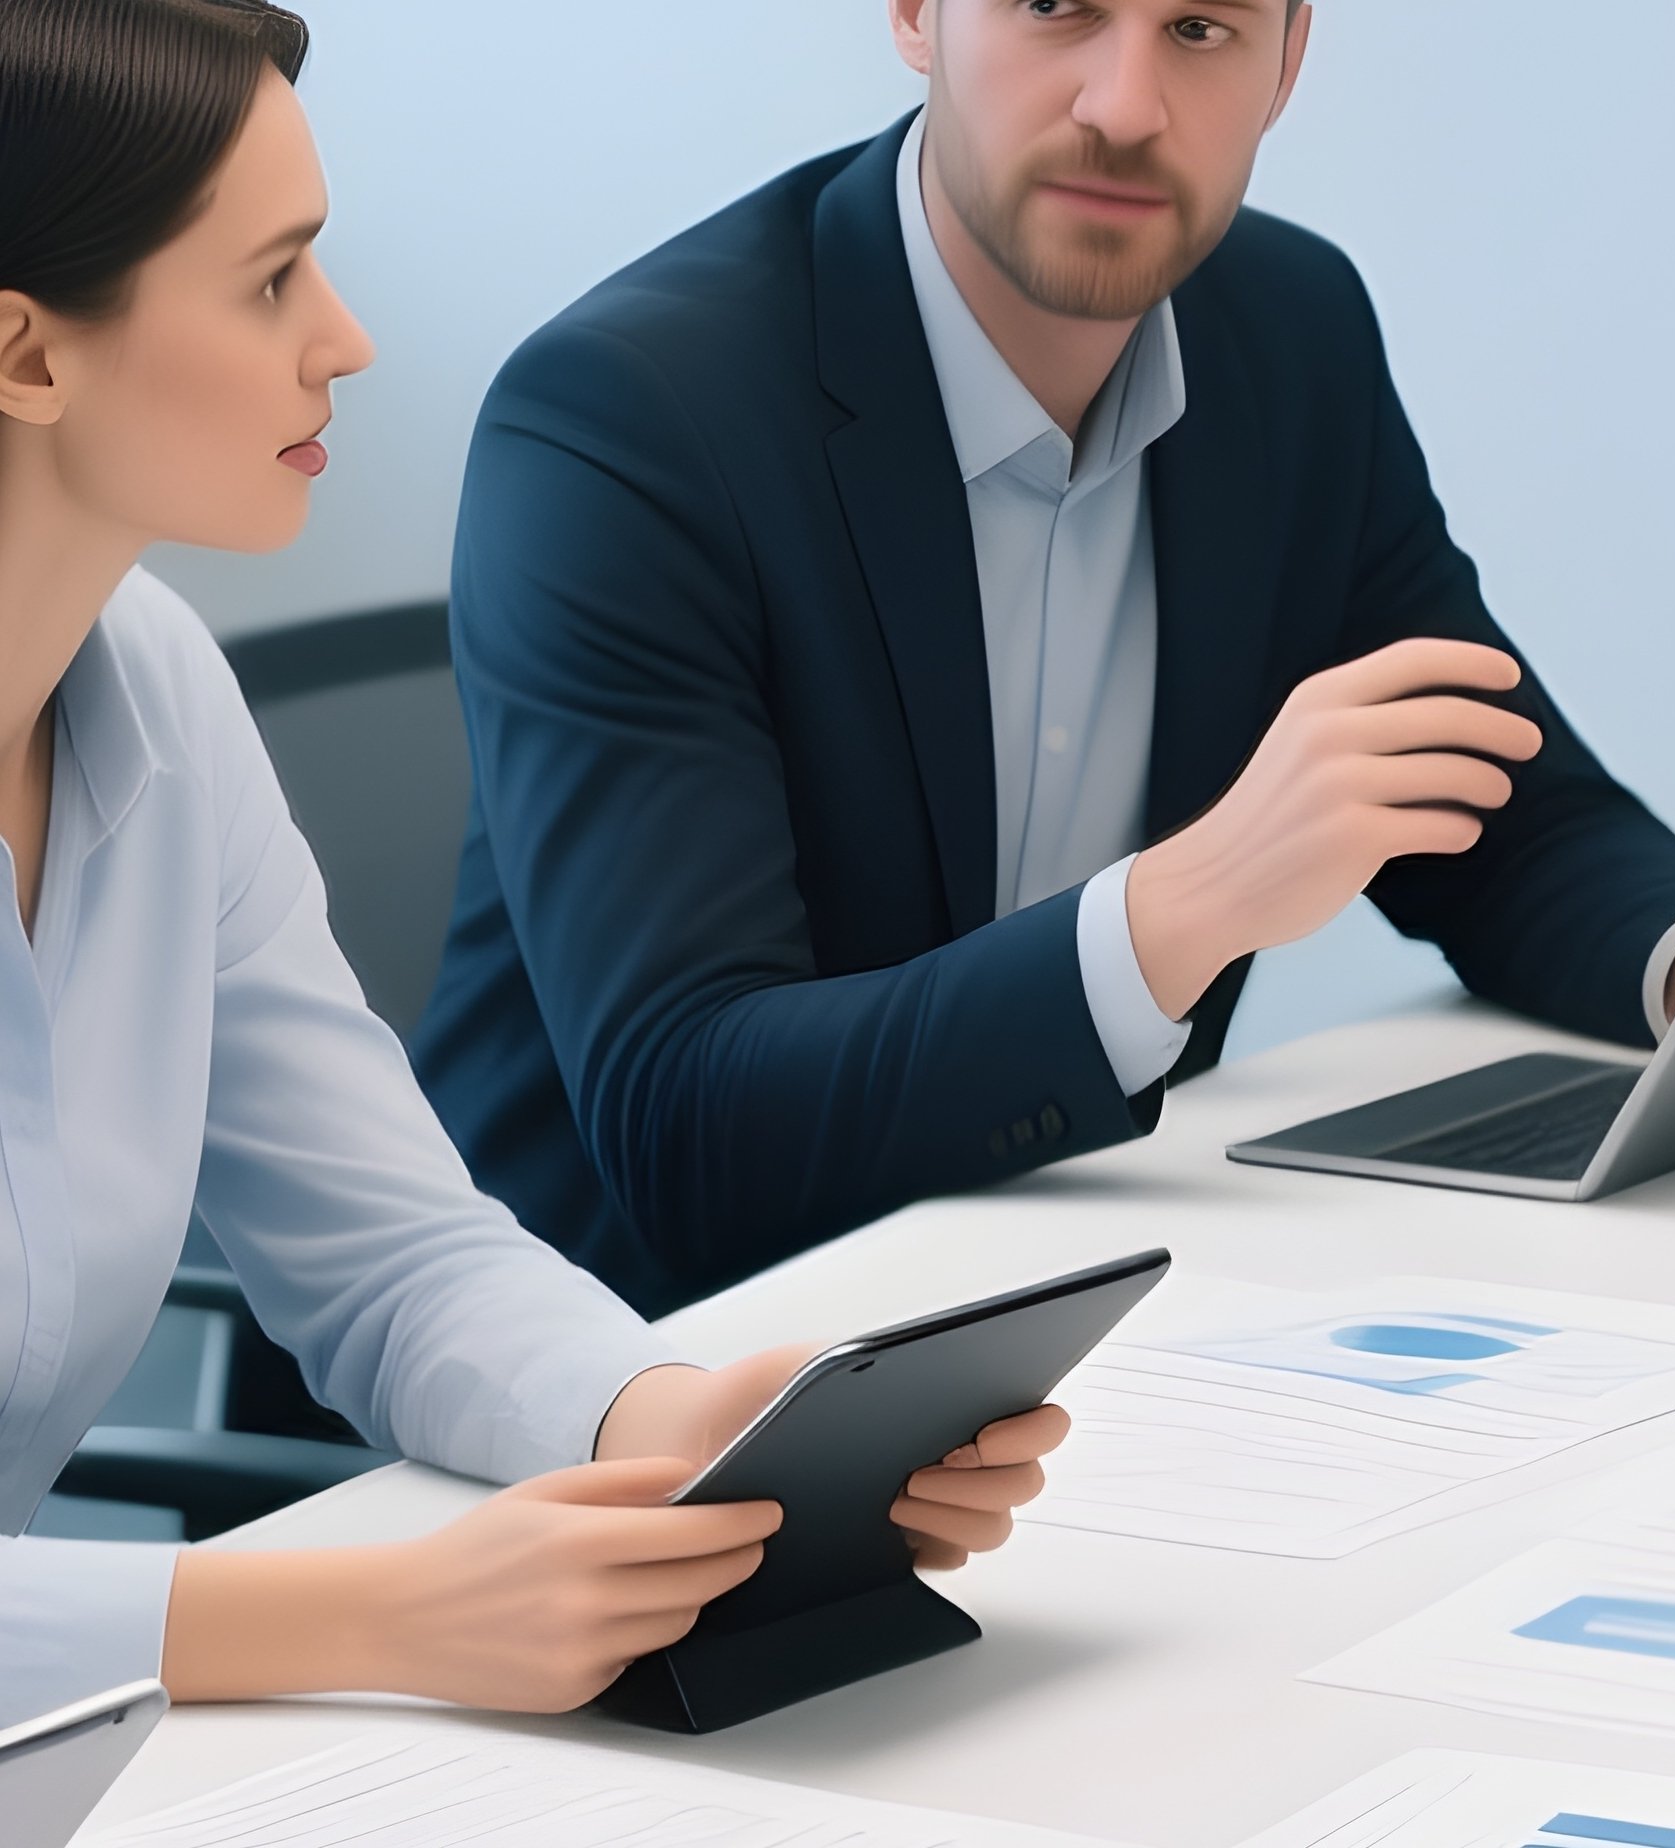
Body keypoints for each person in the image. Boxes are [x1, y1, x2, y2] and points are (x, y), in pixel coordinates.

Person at [415, 0, 1675, 1320]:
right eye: (1059, 8)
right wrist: (1189, 905)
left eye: (1203, 29)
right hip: (629, 1385)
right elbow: (688, 1121)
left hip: (1067, 1304)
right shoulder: (632, 420)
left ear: (1288, 66)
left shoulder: (1291, 335)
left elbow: (1492, 812)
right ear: (918, 15)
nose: (1126, 103)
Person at [0, 0, 1068, 1731]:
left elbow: (394, 1259)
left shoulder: (161, 692)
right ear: (31, 356)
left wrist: (684, 1419)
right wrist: (369, 1613)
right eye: (272, 282)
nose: (342, 342)